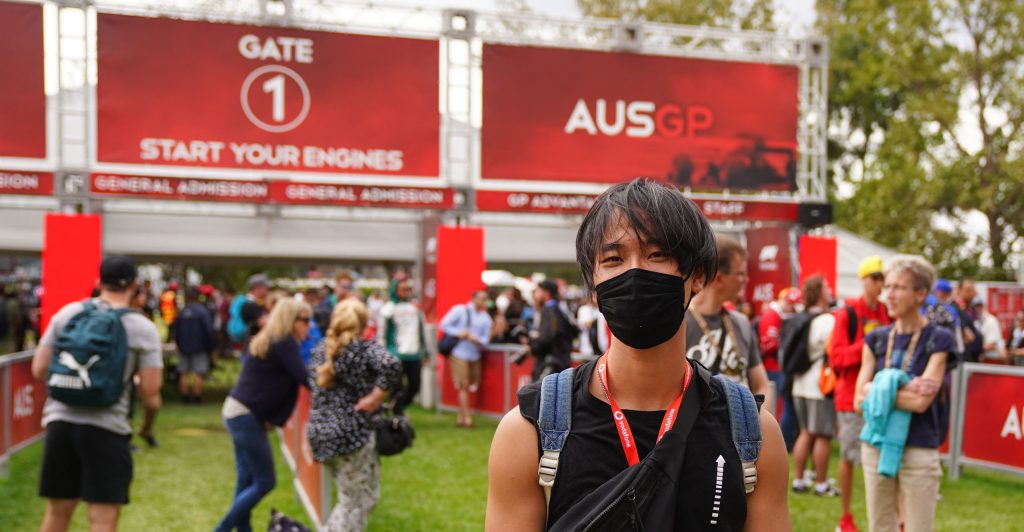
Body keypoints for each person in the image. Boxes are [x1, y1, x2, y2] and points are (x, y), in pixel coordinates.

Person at [486, 178, 789, 531]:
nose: (634, 271)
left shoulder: (753, 435)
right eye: (613, 258)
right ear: (594, 290)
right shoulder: (530, 432)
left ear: (698, 276)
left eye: (657, 254)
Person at [30, 256, 163, 532]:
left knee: (56, 512)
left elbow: (39, 369)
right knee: (102, 518)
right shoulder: (142, 328)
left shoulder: (68, 314)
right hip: (108, 428)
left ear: (98, 282)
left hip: (60, 423)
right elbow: (151, 391)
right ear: (135, 285)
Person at [854, 255, 955, 532]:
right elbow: (858, 401)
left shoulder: (939, 339)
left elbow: (922, 402)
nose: (889, 294)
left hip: (920, 447)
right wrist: (903, 388)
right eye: (888, 286)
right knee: (880, 527)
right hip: (876, 444)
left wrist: (876, 389)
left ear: (921, 294)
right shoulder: (875, 338)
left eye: (898, 287)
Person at [215, 299, 312, 532]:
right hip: (245, 415)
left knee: (246, 479)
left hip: (238, 412)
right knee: (265, 481)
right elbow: (304, 378)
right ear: (292, 320)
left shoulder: (270, 339)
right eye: (305, 320)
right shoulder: (284, 342)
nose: (309, 326)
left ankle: (243, 529)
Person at [308, 298, 401, 531]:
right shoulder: (363, 349)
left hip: (322, 433)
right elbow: (392, 365)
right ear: (363, 322)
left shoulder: (321, 349)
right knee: (354, 504)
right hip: (352, 433)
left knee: (362, 498)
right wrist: (375, 398)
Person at [827, 255, 891, 532]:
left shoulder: (886, 312)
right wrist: (868, 344)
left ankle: (885, 515)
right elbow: (837, 357)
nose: (880, 284)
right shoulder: (848, 313)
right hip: (851, 398)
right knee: (850, 456)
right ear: (864, 280)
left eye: (882, 279)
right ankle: (846, 517)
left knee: (884, 456)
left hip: (881, 396)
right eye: (875, 278)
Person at [685, 236, 770, 397]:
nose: (746, 280)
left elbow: (761, 386)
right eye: (740, 274)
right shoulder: (680, 323)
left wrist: (757, 418)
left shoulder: (741, 323)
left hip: (741, 419)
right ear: (719, 278)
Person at [790, 275, 839, 497]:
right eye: (827, 287)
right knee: (822, 435)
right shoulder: (827, 320)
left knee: (805, 432)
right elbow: (833, 350)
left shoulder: (800, 317)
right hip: (820, 385)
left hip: (799, 384)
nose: (830, 291)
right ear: (819, 292)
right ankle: (821, 484)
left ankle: (799, 480)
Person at [440, 290, 494, 428]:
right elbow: (444, 324)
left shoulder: (485, 318)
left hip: (474, 354)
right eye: (481, 299)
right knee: (463, 385)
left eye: (485, 299)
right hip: (459, 353)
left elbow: (486, 339)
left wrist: (478, 340)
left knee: (472, 384)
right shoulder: (460, 310)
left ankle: (461, 416)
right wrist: (460, 334)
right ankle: (466, 417)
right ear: (474, 298)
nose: (483, 302)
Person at [377, 276, 429, 414]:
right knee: (396, 386)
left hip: (414, 354)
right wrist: (383, 353)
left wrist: (425, 352)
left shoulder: (415, 308)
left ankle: (397, 407)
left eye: (408, 289)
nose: (406, 291)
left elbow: (421, 331)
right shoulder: (388, 309)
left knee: (415, 386)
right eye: (403, 288)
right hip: (395, 353)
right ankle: (397, 413)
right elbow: (381, 333)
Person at [758, 286, 801, 448]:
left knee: (781, 406)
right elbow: (767, 344)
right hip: (773, 368)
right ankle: (778, 442)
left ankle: (780, 442)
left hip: (778, 367)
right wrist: (787, 342)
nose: (792, 308)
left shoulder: (779, 315)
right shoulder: (772, 315)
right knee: (775, 407)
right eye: (790, 304)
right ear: (783, 301)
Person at [525, 279, 577, 382]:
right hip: (555, 362)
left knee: (541, 395)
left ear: (546, 293)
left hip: (551, 364)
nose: (535, 295)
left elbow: (546, 337)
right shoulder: (556, 309)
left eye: (538, 291)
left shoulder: (551, 310)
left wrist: (533, 346)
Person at [174, 287, 216, 403]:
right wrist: (211, 346)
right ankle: (197, 398)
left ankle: (185, 397)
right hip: (200, 346)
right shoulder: (202, 311)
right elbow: (209, 330)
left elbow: (176, 330)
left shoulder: (182, 312)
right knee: (199, 372)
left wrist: (179, 344)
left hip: (184, 347)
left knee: (184, 372)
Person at [973, 297, 1006, 362]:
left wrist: (974, 349)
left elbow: (991, 344)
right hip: (983, 359)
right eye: (976, 306)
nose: (978, 309)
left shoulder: (991, 321)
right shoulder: (975, 321)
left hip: (993, 359)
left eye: (980, 306)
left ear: (983, 306)